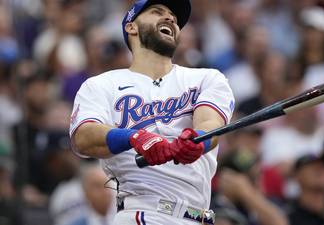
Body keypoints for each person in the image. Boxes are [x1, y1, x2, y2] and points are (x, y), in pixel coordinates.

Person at [69, 1, 235, 225]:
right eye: (157, 12)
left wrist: (198, 141)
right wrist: (133, 137)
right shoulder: (101, 85)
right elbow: (83, 137)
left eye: (174, 18)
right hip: (142, 211)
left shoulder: (207, 78)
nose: (170, 19)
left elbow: (211, 125)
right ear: (131, 27)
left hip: (198, 216)